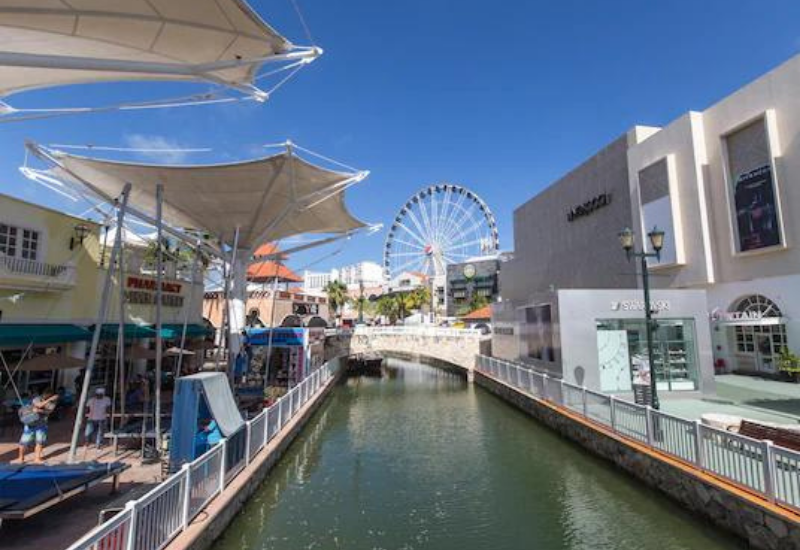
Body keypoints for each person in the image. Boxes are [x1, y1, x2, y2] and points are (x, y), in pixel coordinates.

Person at [17, 389, 59, 463]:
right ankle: (21, 458)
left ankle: (37, 458)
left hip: (42, 424)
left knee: (39, 442)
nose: (46, 396)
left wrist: (40, 410)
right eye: (46, 394)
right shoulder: (37, 398)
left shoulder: (52, 403)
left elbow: (49, 412)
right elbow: (39, 405)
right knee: (24, 442)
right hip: (30, 422)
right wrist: (49, 400)